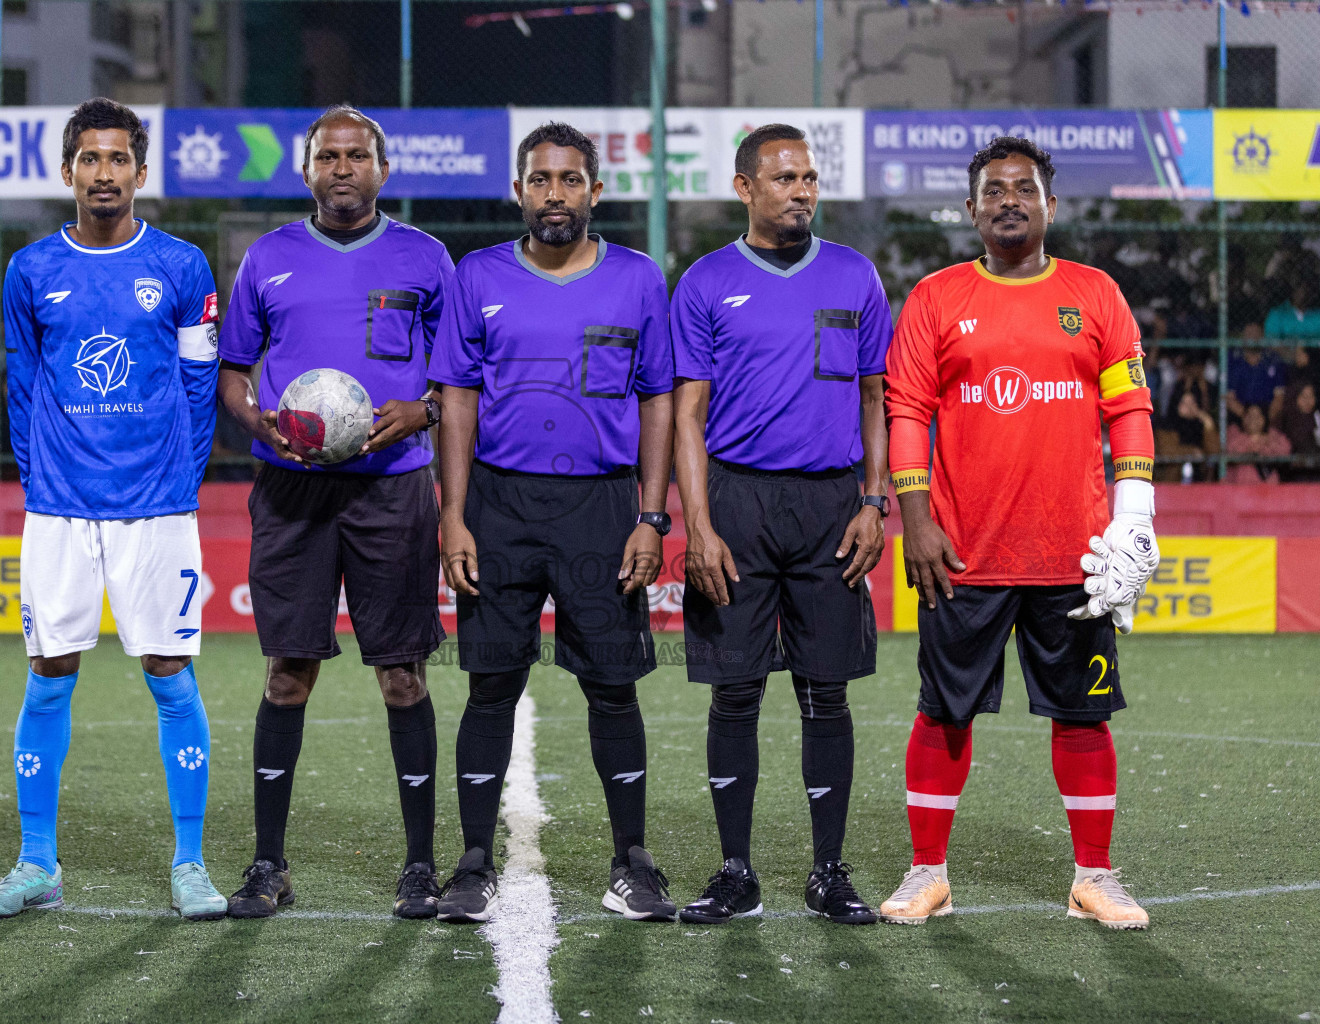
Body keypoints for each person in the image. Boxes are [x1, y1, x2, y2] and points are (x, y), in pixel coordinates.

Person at [879, 137, 1159, 931]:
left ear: (1050, 205)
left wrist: (1133, 514)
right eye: (994, 191)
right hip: (962, 552)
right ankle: (928, 872)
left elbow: (1128, 409)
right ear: (970, 211)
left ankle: (1093, 878)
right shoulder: (934, 298)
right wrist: (917, 519)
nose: (1010, 200)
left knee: (1083, 714)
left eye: (1024, 189)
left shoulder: (1096, 294)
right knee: (944, 712)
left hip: (1075, 553)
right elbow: (908, 412)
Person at [0, 97, 227, 922]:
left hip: (156, 508)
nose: (104, 173)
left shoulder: (183, 267)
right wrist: (39, 476)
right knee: (48, 674)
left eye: (119, 159)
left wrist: (177, 481)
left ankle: (189, 863)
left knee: (170, 675)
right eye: (90, 158)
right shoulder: (31, 269)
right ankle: (36, 862)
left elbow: (198, 383)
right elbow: (23, 381)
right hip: (59, 508)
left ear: (140, 173)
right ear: (69, 170)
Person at [431, 122, 676, 923]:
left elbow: (658, 401)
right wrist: (454, 514)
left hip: (603, 508)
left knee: (614, 691)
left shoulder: (639, 280)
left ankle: (633, 860)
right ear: (519, 191)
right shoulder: (478, 275)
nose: (556, 194)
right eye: (541, 180)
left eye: (571, 180)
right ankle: (471, 863)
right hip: (499, 505)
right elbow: (457, 399)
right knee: (490, 687)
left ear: (595, 192)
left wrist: (650, 515)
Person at [215, 105, 455, 920]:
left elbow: (459, 381)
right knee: (288, 674)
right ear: (307, 168)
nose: (342, 167)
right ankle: (267, 865)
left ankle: (420, 865)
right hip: (291, 488)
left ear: (383, 169)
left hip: (394, 486)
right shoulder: (269, 257)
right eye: (328, 156)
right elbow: (234, 374)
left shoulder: (425, 258)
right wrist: (257, 420)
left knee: (401, 674)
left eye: (357, 155)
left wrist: (420, 410)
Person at [668, 124, 891, 926]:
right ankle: (736, 872)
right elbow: (685, 418)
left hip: (833, 505)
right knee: (735, 694)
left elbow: (875, 400)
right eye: (784, 177)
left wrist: (874, 500)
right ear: (746, 188)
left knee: (825, 693)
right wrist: (698, 524)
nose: (801, 190)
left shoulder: (856, 275)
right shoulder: (704, 281)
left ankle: (829, 871)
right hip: (737, 504)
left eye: (808, 177)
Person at [1225, 322, 1286, 422]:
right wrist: (1249, 419)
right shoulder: (1232, 359)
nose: (1253, 337)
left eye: (1256, 333)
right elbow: (1229, 397)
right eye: (1249, 333)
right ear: (1242, 336)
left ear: (1262, 336)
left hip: (1267, 416)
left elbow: (1279, 397)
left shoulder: (1273, 359)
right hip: (1240, 417)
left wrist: (1263, 421)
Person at [1154, 389, 1217, 483]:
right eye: (1184, 403)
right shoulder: (1164, 426)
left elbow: (1215, 453)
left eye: (1192, 402)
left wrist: (1208, 423)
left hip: (1199, 485)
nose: (1189, 407)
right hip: (1170, 484)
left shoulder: (1200, 427)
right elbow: (1167, 451)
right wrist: (1192, 451)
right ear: (1176, 404)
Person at [1225, 403, 1290, 484]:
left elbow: (1285, 451)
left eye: (1257, 416)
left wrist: (1265, 442)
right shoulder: (1234, 433)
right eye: (1249, 415)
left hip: (1268, 489)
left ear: (1264, 419)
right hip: (1238, 487)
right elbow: (1229, 450)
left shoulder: (1273, 435)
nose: (1253, 419)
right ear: (1243, 419)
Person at [1277, 382, 1320, 482]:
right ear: (1295, 397)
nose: (1308, 401)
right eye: (1303, 396)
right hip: (1294, 475)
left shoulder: (1317, 418)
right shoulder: (1286, 419)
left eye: (1311, 396)